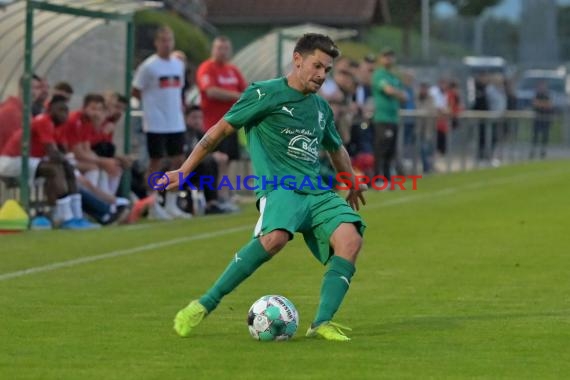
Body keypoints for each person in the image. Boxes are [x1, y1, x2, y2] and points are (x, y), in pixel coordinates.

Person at [164, 33, 367, 341]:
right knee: (275, 239)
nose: (321, 75)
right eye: (316, 66)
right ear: (297, 60)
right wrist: (184, 169)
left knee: (350, 239)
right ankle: (204, 304)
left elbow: (336, 148)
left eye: (326, 69)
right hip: (279, 187)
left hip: (315, 190)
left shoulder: (321, 109)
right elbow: (218, 131)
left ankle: (321, 323)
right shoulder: (263, 94)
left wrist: (350, 179)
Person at [0, 96, 99, 229]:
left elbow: (61, 151)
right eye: (60, 110)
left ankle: (76, 216)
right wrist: (68, 161)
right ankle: (66, 218)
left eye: (66, 110)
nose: (64, 114)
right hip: (10, 162)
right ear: (50, 110)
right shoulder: (43, 121)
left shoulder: (58, 126)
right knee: (54, 169)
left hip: (29, 161)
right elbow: (53, 153)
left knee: (66, 168)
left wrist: (68, 163)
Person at [132, 25, 191, 219]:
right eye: (163, 40)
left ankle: (172, 203)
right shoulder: (149, 66)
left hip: (175, 121)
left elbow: (179, 90)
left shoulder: (178, 64)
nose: (167, 44)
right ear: (157, 43)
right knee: (155, 162)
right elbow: (136, 90)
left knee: (178, 161)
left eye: (170, 40)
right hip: (156, 122)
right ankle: (153, 203)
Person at [196, 36, 247, 209]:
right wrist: (235, 96)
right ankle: (216, 197)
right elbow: (210, 91)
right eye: (219, 48)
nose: (222, 52)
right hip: (213, 124)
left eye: (225, 48)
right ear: (213, 49)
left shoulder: (232, 70)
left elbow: (245, 90)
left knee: (227, 162)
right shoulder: (206, 68)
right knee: (217, 162)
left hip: (231, 124)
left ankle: (224, 194)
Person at [371, 48, 407, 185]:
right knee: (381, 149)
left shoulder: (393, 76)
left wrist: (398, 93)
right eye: (386, 56)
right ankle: (377, 178)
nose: (388, 59)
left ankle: (387, 178)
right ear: (381, 58)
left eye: (391, 56)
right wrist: (398, 93)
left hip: (393, 118)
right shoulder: (379, 74)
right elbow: (388, 90)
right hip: (382, 118)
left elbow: (404, 96)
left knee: (391, 151)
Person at [530, 81, 554, 159]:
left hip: (545, 119)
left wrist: (542, 104)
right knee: (535, 137)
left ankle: (543, 152)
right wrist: (543, 104)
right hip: (537, 119)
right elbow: (535, 103)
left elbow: (549, 105)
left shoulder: (547, 95)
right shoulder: (537, 95)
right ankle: (533, 151)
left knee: (545, 137)